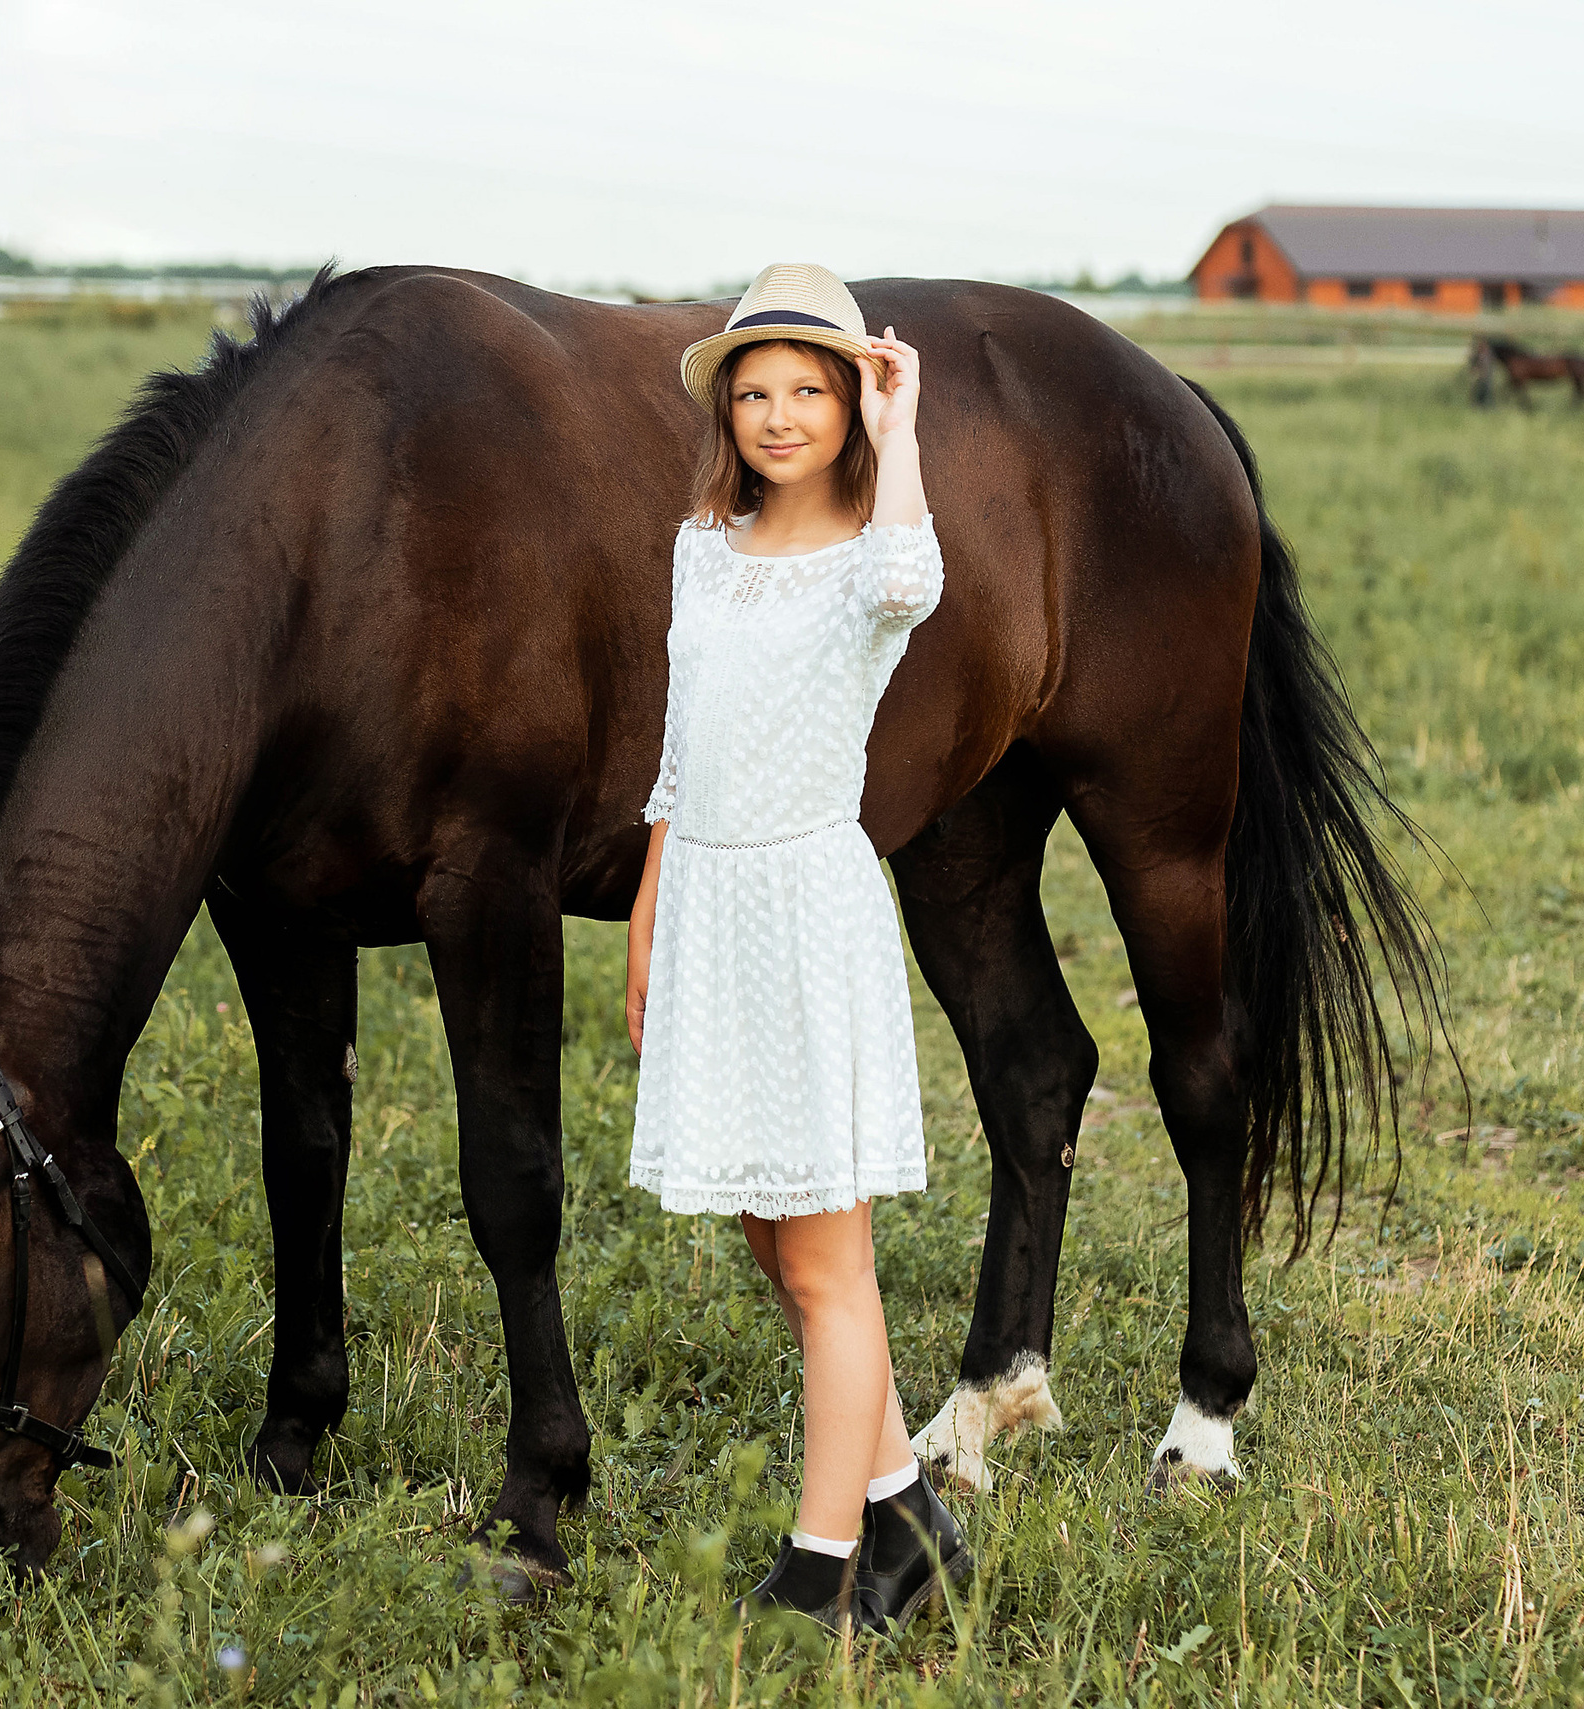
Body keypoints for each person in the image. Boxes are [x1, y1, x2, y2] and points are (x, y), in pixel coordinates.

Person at [625, 262, 970, 1634]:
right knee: (775, 1239)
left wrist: (903, 427)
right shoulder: (701, 548)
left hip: (806, 913)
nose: (777, 416)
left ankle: (824, 1568)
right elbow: (678, 751)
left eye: (809, 390)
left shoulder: (873, 564)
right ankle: (912, 1518)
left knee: (830, 1265)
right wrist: (650, 913)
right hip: (710, 909)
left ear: (848, 402)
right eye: (755, 392)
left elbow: (914, 577)